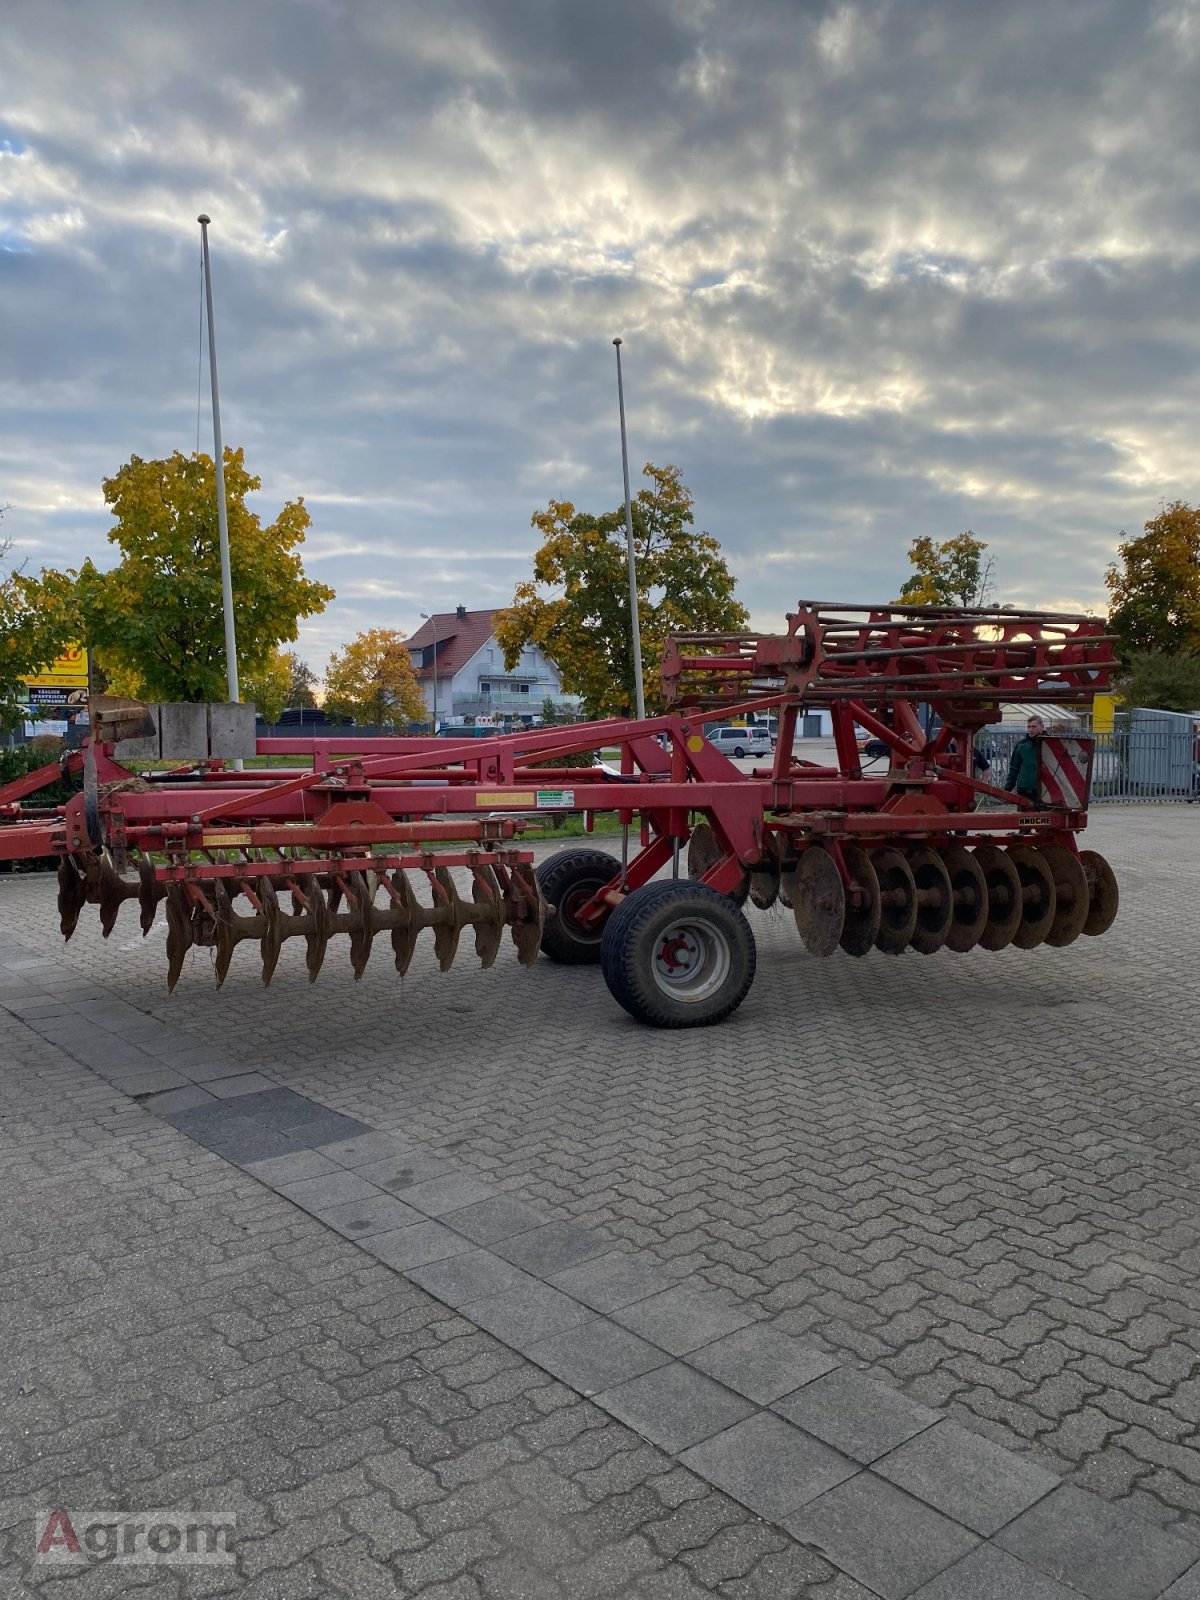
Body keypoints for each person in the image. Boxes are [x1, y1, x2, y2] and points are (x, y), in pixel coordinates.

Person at [1007, 714, 1045, 801]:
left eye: (1034, 727)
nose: (1030, 730)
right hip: (1024, 788)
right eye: (1029, 727)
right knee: (1023, 814)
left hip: (1044, 790)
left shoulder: (1050, 745)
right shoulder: (1022, 746)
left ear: (1042, 727)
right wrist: (1008, 788)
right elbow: (1014, 768)